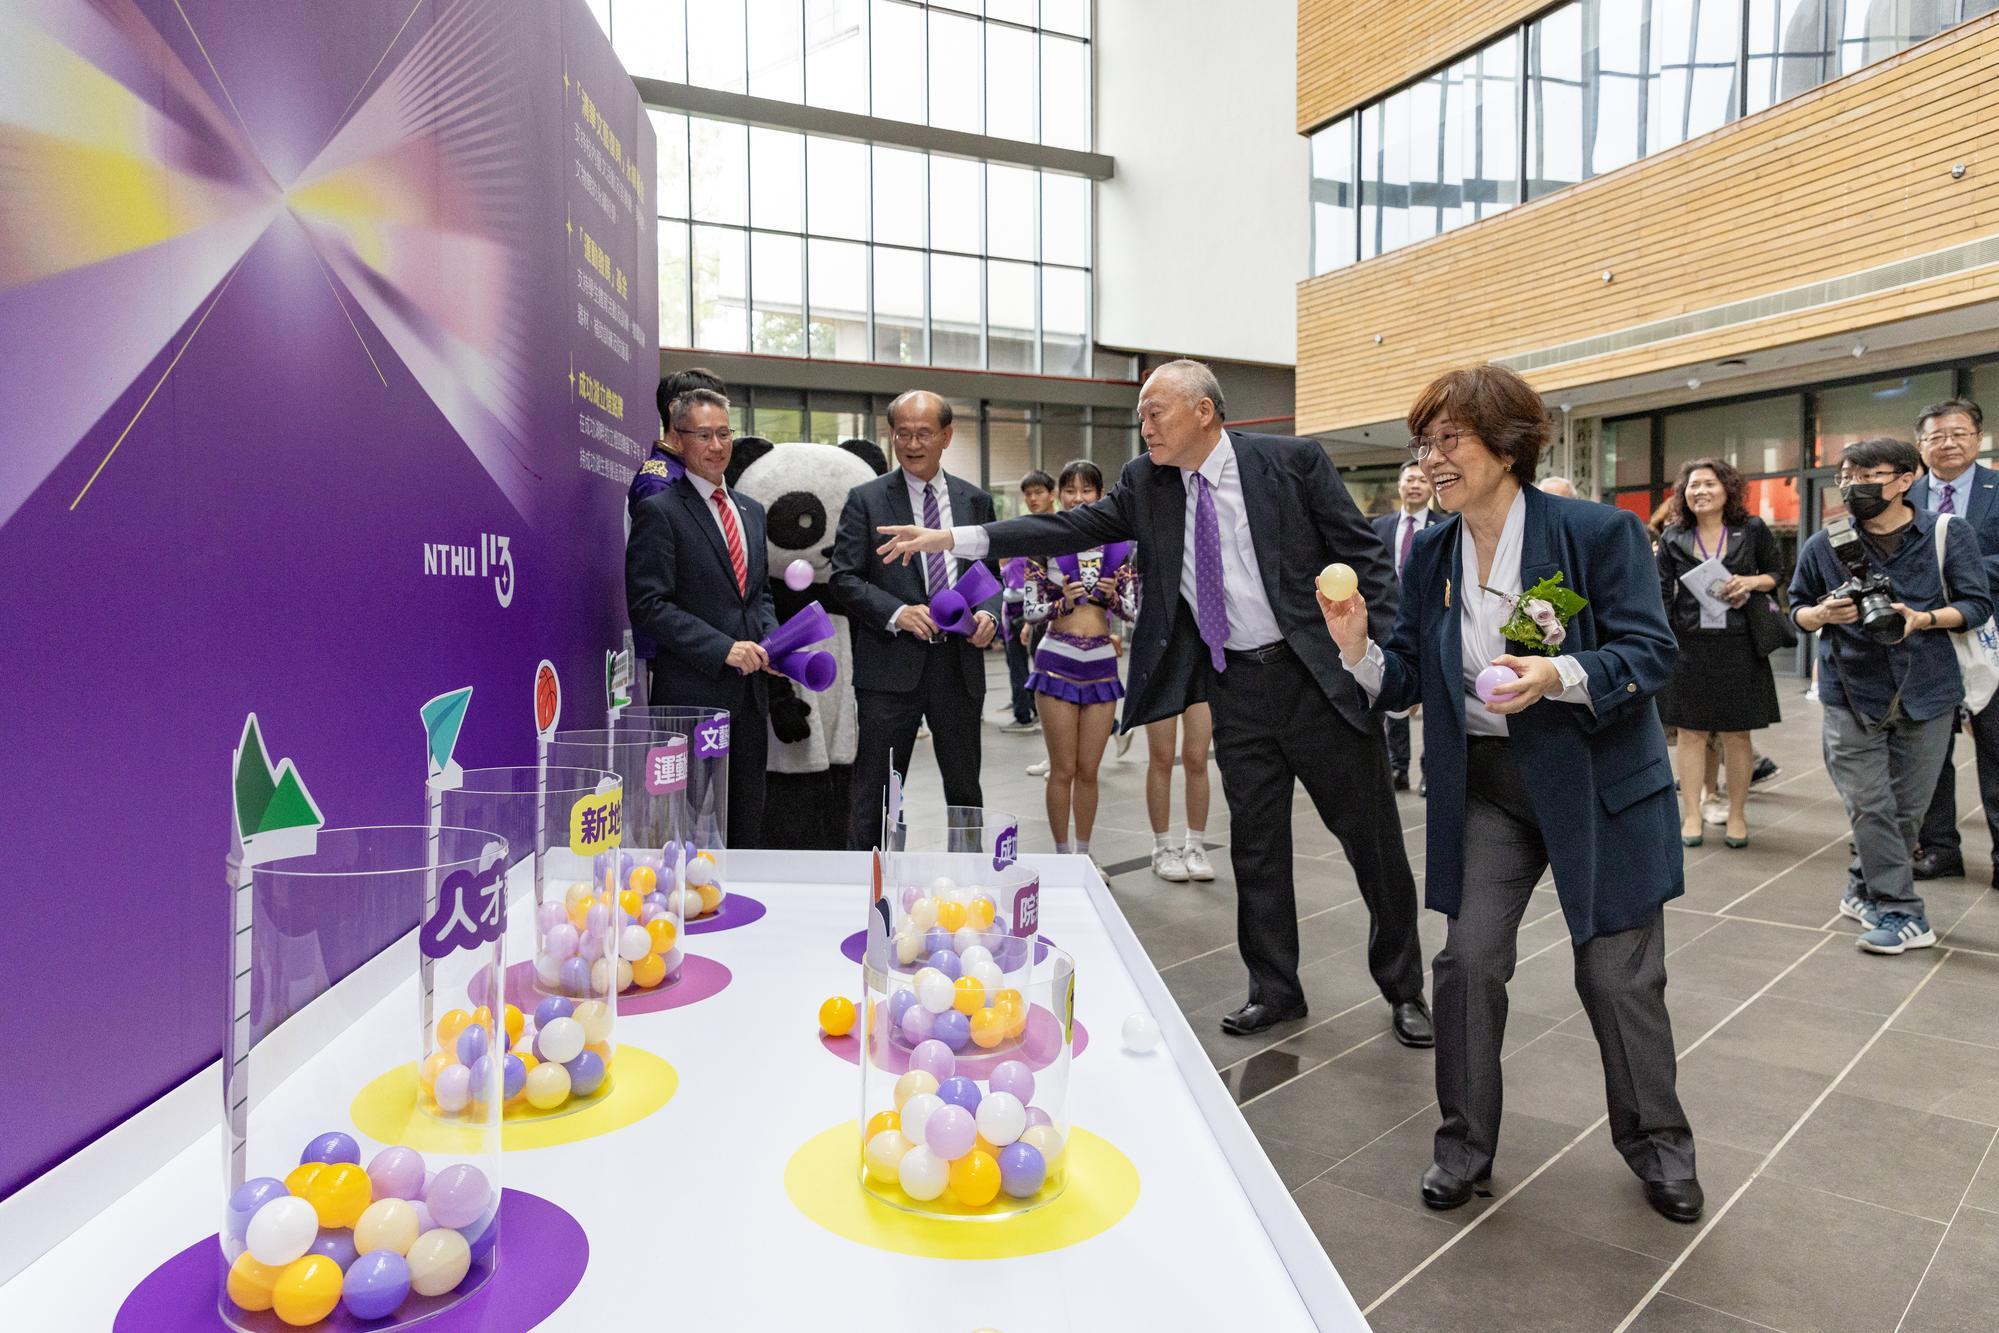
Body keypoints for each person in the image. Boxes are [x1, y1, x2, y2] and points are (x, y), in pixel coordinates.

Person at [876, 359, 1432, 1047]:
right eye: (1141, 414)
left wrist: (1381, 658)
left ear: (1203, 411)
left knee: (1370, 841)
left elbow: (1365, 558)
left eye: (1154, 411)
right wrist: (954, 540)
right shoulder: (1148, 482)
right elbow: (1064, 532)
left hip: (1315, 678)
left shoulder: (1291, 463)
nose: (1143, 427)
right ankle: (1275, 989)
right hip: (1236, 685)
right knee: (1257, 846)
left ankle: (1404, 987)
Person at [1322, 362, 1703, 1224]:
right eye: (1426, 442)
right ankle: (1461, 1146)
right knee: (1466, 964)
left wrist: (1557, 672)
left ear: (1505, 443)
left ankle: (1659, 1147)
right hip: (1489, 786)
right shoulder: (1431, 553)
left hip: (1598, 781)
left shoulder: (1596, 533)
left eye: (1448, 439)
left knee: (1615, 977)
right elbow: (1413, 678)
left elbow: (1649, 652)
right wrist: (1356, 649)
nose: (1432, 459)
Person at [1793, 437, 1992, 954]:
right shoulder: (1826, 542)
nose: (1854, 487)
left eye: (1868, 477)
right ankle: (1903, 912)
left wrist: (1922, 619)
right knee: (1869, 804)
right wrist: (1819, 615)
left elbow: (1975, 606)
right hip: (1850, 690)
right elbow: (1796, 609)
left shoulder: (1948, 533)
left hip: (1928, 689)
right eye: (1846, 477)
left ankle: (1862, 886)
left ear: (1906, 479)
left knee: (1907, 810)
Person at [832, 390, 1000, 850]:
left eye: (923, 433)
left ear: (946, 436)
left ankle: (969, 882)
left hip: (958, 668)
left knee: (965, 790)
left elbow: (993, 578)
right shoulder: (866, 500)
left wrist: (988, 614)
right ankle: (868, 890)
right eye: (902, 433)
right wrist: (897, 613)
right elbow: (843, 579)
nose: (912, 443)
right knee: (877, 792)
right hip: (890, 671)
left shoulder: (974, 502)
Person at [625, 388, 779, 847]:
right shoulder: (661, 511)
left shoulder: (751, 512)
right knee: (680, 825)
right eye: (704, 435)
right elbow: (649, 606)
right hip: (690, 697)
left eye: (725, 434)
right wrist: (722, 648)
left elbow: (759, 595)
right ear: (677, 438)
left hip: (751, 697)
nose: (717, 446)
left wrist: (771, 642)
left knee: (747, 822)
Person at [1655, 457, 1787, 849]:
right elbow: (1661, 592)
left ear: (1727, 488)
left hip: (1739, 644)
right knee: (1691, 734)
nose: (1701, 492)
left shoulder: (1751, 530)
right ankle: (1693, 813)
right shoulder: (1675, 535)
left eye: (1709, 484)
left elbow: (1776, 574)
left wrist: (1749, 581)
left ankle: (1737, 814)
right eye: (1693, 486)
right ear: (1683, 494)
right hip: (1690, 646)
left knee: (1736, 734)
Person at [1021, 460, 1138, 862]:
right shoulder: (1045, 538)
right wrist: (1062, 602)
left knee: (1090, 771)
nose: (1078, 497)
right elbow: (1031, 609)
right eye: (1069, 489)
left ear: (1101, 494)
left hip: (1103, 664)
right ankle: (1059, 855)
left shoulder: (1120, 545)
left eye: (1086, 489)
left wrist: (1113, 597)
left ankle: (1084, 857)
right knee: (1063, 769)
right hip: (1056, 660)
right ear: (1059, 495)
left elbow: (1135, 609)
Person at [1907, 397, 1999, 885]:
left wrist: (1952, 569)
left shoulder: (1998, 489)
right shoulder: (1904, 497)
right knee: (1930, 754)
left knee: (1996, 749)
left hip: (1992, 638)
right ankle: (1939, 850)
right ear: (1920, 446)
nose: (1948, 443)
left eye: (1959, 433)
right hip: (1925, 642)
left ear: (1977, 438)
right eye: (1936, 436)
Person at [630, 368, 726, 704]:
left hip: (712, 642)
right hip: (678, 649)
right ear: (675, 411)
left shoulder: (699, 477)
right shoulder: (658, 482)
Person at [1373, 461, 1436, 793]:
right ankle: (1398, 768)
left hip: (1431, 620)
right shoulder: (1379, 527)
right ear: (1399, 486)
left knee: (1433, 697)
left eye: (1422, 480)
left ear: (1431, 488)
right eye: (1410, 479)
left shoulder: (1447, 526)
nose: (1415, 485)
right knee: (1395, 693)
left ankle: (1430, 769)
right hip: (1390, 623)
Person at [1001, 470, 1057, 736]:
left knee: (1049, 668)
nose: (1033, 498)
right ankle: (1028, 713)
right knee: (1031, 665)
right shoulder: (1027, 528)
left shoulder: (1061, 527)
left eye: (1039, 492)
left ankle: (1111, 726)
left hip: (1051, 610)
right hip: (1024, 607)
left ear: (1051, 494)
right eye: (1028, 494)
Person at [1147, 704, 1214, 881]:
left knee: (1197, 757)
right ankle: (1162, 848)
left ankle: (1195, 846)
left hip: (1201, 677)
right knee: (1162, 756)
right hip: (1159, 678)